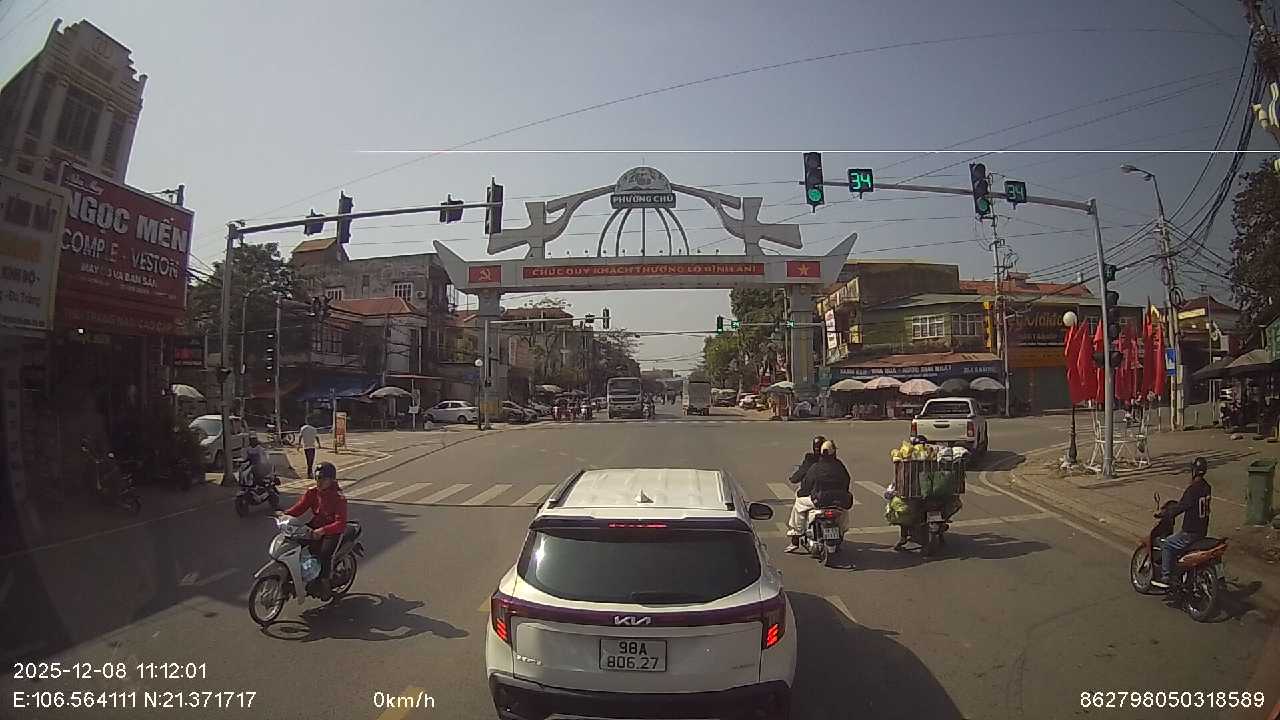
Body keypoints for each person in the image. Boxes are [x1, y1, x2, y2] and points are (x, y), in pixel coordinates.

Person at [278, 461, 348, 600]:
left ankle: (325, 583)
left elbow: (340, 523)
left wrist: (323, 530)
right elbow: (299, 508)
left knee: (324, 554)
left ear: (331, 480)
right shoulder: (312, 493)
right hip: (315, 526)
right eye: (317, 478)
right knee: (294, 543)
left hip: (332, 531)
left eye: (323, 478)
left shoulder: (339, 498)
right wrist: (284, 514)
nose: (319, 482)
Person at [1152, 456, 1212, 590]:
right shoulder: (1207, 487)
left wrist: (1167, 513)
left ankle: (1166, 577)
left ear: (1194, 471)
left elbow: (1181, 506)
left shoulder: (1192, 489)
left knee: (1167, 544)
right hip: (1202, 530)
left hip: (1190, 532)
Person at [785, 439, 852, 553]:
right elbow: (847, 481)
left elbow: (807, 484)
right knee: (844, 512)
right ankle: (840, 535)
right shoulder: (840, 466)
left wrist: (802, 493)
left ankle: (795, 536)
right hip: (840, 500)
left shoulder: (816, 467)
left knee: (798, 504)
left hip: (820, 500)